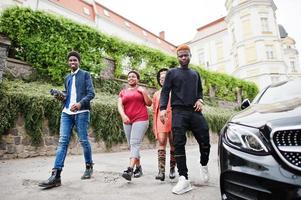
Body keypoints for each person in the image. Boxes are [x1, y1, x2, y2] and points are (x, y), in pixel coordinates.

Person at [39, 51, 95, 188]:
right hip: (66, 112)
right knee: (62, 141)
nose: (72, 62)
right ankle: (56, 175)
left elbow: (91, 93)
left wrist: (80, 104)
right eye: (70, 61)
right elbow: (67, 95)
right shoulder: (67, 78)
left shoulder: (86, 75)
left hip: (82, 111)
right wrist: (60, 95)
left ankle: (89, 166)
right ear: (68, 62)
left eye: (75, 60)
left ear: (79, 62)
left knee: (83, 139)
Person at [159, 44, 210, 195]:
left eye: (186, 55)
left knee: (205, 141)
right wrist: (162, 108)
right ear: (177, 57)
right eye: (180, 56)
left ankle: (204, 164)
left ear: (190, 55)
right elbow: (165, 91)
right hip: (179, 112)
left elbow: (200, 91)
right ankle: (183, 178)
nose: (183, 58)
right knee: (178, 144)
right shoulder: (172, 73)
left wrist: (200, 99)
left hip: (195, 111)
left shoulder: (195, 74)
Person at [117, 70, 152, 181]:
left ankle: (130, 169)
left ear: (137, 79)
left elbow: (149, 103)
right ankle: (139, 168)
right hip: (127, 120)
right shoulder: (123, 92)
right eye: (129, 76)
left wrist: (144, 92)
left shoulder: (141, 90)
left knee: (135, 143)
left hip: (141, 119)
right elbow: (119, 105)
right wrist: (123, 115)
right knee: (132, 146)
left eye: (134, 76)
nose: (131, 78)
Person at [152, 68, 176, 181]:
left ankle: (172, 169)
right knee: (161, 142)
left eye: (165, 77)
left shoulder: (175, 91)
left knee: (173, 144)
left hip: (174, 119)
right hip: (160, 120)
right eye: (160, 78)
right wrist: (154, 127)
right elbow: (154, 112)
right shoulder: (156, 94)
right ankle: (161, 172)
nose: (162, 79)